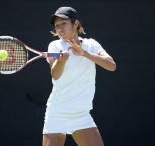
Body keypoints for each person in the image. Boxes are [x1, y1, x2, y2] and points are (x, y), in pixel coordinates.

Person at [42, 6, 116, 146]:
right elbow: (55, 75)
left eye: (64, 23)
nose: (59, 28)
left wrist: (85, 54)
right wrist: (61, 61)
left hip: (81, 114)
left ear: (75, 24)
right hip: (57, 114)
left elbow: (111, 65)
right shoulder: (54, 46)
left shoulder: (91, 44)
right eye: (57, 25)